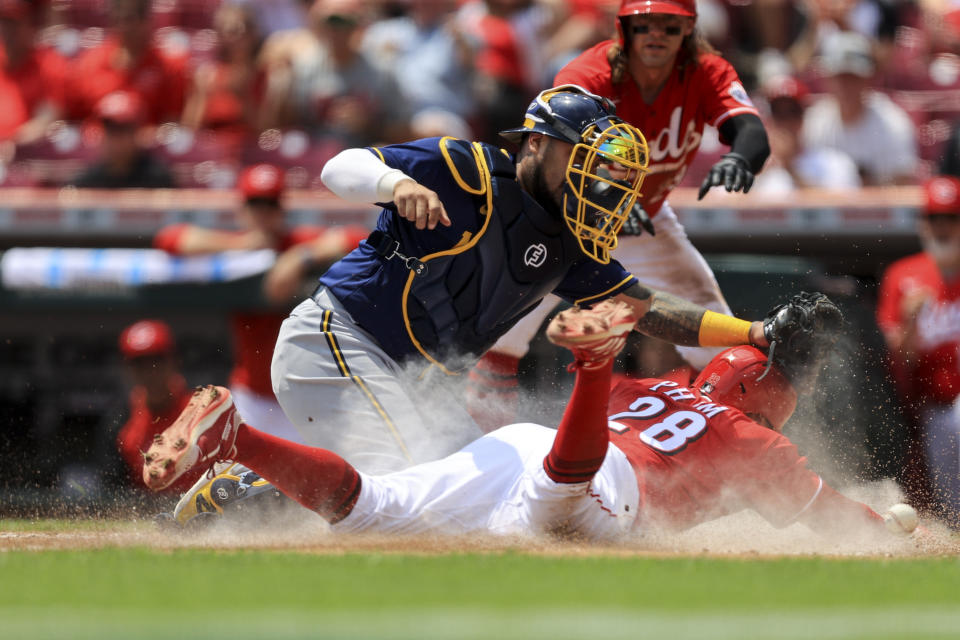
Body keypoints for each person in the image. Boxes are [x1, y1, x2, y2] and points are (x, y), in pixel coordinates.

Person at [142, 299, 916, 542]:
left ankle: (237, 439)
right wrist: (894, 533)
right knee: (553, 508)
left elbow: (495, 405)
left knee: (372, 510)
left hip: (530, 443)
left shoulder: (660, 389)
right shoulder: (756, 440)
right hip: (588, 478)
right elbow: (835, 522)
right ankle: (592, 359)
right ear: (764, 402)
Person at [466, 0, 771, 428]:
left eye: (670, 25)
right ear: (624, 28)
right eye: (644, 25)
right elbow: (549, 147)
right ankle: (476, 447)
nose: (656, 35)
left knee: (725, 346)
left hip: (645, 220)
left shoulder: (707, 71)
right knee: (495, 343)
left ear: (689, 31)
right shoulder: (588, 73)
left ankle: (740, 450)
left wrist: (741, 156)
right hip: (567, 222)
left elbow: (752, 131)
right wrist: (604, 195)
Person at [153, 162, 367, 442]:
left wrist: (299, 257)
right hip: (253, 397)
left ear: (281, 208)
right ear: (243, 209)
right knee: (239, 483)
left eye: (270, 204)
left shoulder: (295, 241)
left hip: (306, 397)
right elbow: (169, 239)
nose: (263, 213)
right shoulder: (234, 245)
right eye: (256, 204)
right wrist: (242, 246)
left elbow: (358, 237)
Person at [876, 175, 960, 525]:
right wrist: (910, 322)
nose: (941, 228)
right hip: (928, 407)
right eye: (933, 219)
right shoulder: (904, 274)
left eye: (951, 219)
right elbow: (900, 360)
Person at [801, 30, 918, 186]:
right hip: (827, 206)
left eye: (853, 78)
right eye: (840, 77)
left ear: (868, 79)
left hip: (880, 207)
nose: (846, 86)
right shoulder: (815, 121)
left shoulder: (893, 123)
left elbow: (904, 182)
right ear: (828, 79)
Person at [113, 319, 199, 494]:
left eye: (157, 360)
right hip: (148, 516)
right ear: (129, 369)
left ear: (174, 361)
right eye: (140, 364)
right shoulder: (120, 420)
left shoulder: (202, 409)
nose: (150, 371)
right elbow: (114, 491)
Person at [750, 74, 861, 193]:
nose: (786, 122)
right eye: (779, 114)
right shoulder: (753, 165)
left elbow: (839, 206)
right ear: (770, 119)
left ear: (804, 116)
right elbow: (731, 203)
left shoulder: (834, 163)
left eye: (793, 112)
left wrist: (789, 167)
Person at [71, 90, 176, 189]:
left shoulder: (158, 179)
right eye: (110, 130)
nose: (116, 139)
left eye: (123, 130)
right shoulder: (87, 182)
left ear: (137, 133)